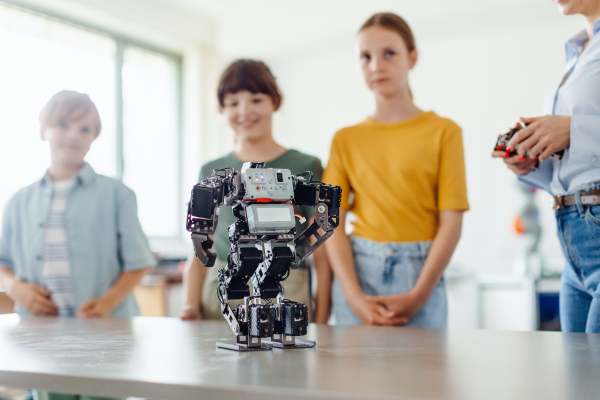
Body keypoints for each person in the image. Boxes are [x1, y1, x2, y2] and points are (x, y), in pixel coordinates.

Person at [0, 90, 156, 400]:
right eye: (63, 125)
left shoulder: (118, 194)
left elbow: (139, 262)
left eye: (84, 128)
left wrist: (109, 301)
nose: (73, 134)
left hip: (106, 336)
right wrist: (15, 288)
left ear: (93, 138)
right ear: (43, 130)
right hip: (42, 337)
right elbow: (2, 263)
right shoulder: (18, 201)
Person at [323, 13, 469, 327]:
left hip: (421, 277)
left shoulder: (445, 132)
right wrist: (353, 297)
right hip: (357, 276)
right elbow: (331, 222)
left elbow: (451, 222)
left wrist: (419, 293)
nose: (376, 65)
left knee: (423, 377)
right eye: (365, 57)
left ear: (412, 57)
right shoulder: (345, 139)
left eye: (389, 53)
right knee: (354, 377)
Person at [180, 59, 332, 323]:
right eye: (233, 103)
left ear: (275, 101)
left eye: (256, 99)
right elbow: (201, 244)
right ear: (222, 109)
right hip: (223, 291)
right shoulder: (211, 170)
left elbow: (321, 248)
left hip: (287, 286)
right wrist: (190, 304)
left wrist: (322, 313)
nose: (244, 111)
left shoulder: (307, 166)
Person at [492, 0, 600, 333]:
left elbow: (578, 134)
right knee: (578, 382)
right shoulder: (580, 52)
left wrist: (573, 129)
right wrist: (531, 164)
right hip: (573, 237)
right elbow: (578, 166)